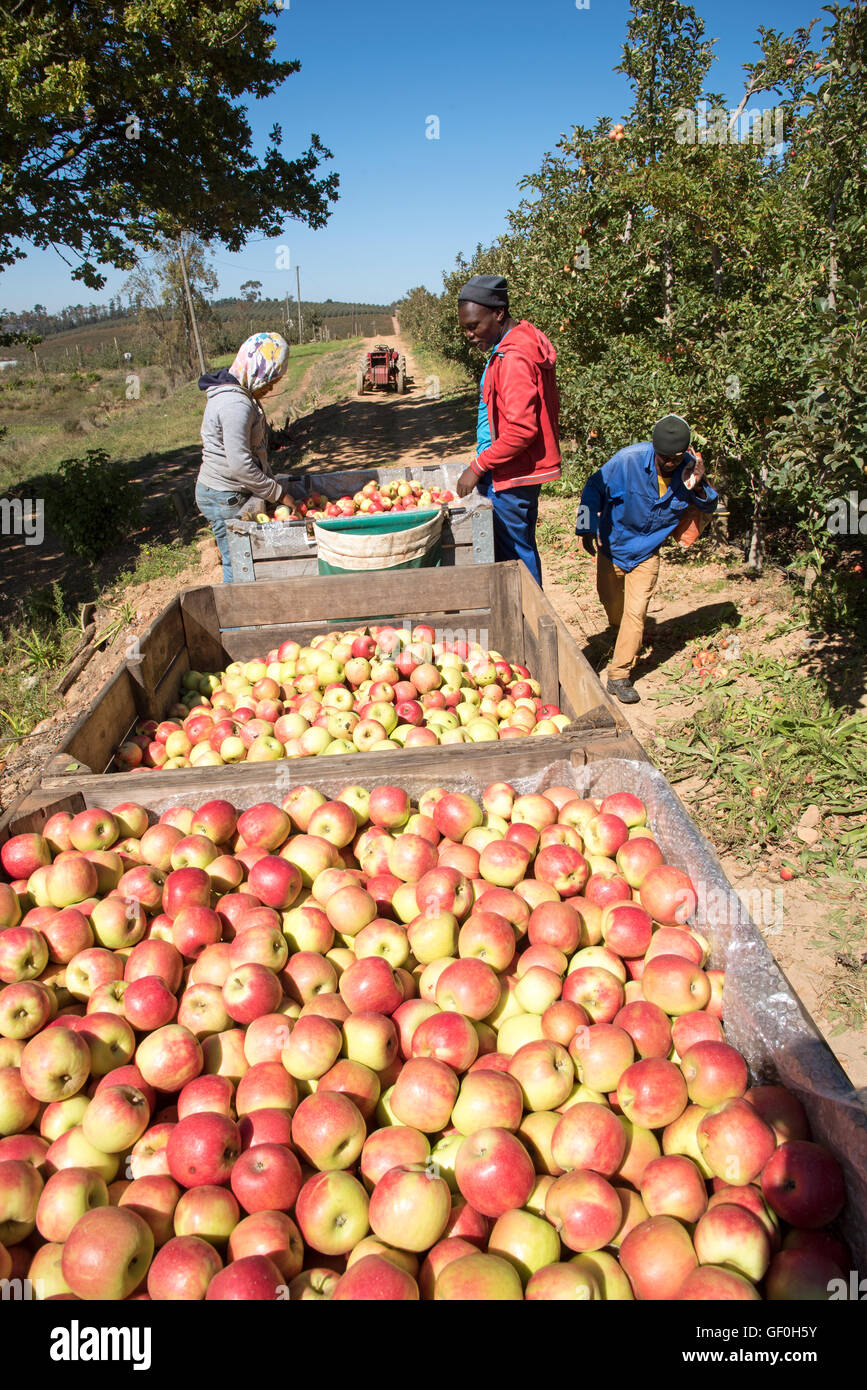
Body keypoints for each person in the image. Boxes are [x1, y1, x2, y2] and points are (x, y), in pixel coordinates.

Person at [575, 413, 719, 704]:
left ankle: (619, 675)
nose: (669, 463)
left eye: (675, 458)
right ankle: (619, 633)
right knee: (611, 603)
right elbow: (593, 487)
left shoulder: (690, 472)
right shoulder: (627, 461)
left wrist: (700, 484)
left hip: (647, 552)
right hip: (612, 546)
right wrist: (585, 526)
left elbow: (711, 504)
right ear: (654, 448)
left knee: (636, 612)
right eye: (664, 457)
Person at [454, 275, 561, 586]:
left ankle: (526, 626)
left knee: (513, 561)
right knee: (518, 551)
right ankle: (525, 622)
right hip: (517, 470)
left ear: (498, 313)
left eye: (474, 325)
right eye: (465, 328)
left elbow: (521, 430)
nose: (469, 334)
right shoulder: (519, 341)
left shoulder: (513, 356)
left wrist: (478, 466)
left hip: (511, 474)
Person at [196, 331, 293, 583]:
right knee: (238, 563)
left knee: (238, 559)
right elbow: (240, 465)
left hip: (220, 490)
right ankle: (236, 620)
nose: (271, 387)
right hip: (224, 494)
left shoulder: (234, 395)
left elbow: (253, 452)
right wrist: (278, 493)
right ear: (257, 368)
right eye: (270, 379)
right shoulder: (235, 405)